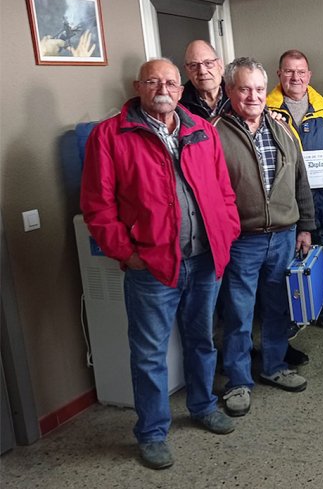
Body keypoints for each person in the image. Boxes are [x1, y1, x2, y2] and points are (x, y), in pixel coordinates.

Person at [80, 58, 241, 469]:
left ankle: (203, 406)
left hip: (204, 260)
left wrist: (228, 228)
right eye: (153, 81)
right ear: (139, 86)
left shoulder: (200, 130)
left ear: (181, 88)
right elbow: (98, 208)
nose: (163, 88)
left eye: (170, 81)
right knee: (150, 354)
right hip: (152, 266)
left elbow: (223, 190)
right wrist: (127, 254)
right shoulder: (110, 135)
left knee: (202, 339)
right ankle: (151, 432)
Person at [213, 57, 316, 418]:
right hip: (242, 240)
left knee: (277, 308)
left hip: (284, 236)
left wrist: (305, 226)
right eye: (245, 89)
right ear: (230, 91)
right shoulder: (214, 133)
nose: (254, 96)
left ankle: (274, 366)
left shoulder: (282, 127)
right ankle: (239, 381)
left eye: (259, 89)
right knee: (239, 314)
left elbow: (300, 179)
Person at [267, 49, 323, 336]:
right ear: (279, 74)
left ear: (309, 75)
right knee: (288, 264)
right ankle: (292, 317)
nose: (295, 77)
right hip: (285, 208)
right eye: (289, 71)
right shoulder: (266, 110)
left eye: (301, 71)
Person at [180, 40, 229, 120]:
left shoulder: (237, 95)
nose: (202, 71)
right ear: (187, 71)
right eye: (194, 65)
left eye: (208, 63)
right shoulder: (179, 104)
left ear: (220, 65)